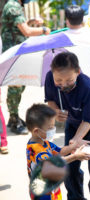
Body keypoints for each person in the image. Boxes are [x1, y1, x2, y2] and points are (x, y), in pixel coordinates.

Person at [44, 52, 90, 200]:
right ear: (52, 74)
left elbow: (89, 120)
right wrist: (55, 111)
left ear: (78, 72)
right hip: (74, 121)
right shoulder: (50, 78)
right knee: (70, 164)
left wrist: (75, 140)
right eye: (59, 80)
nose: (63, 85)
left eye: (69, 80)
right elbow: (50, 100)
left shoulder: (87, 86)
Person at [1, 0, 50, 134]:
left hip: (17, 52)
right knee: (15, 86)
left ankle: (13, 116)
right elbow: (26, 31)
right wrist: (44, 30)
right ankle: (14, 118)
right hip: (13, 53)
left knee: (19, 85)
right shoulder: (13, 6)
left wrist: (31, 21)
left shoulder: (15, 6)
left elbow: (18, 27)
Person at [26, 104, 90, 200]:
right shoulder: (37, 150)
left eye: (53, 126)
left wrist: (74, 145)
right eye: (50, 127)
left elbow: (60, 151)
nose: (53, 130)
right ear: (36, 131)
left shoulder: (44, 143)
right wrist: (75, 156)